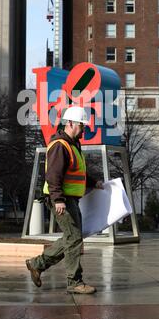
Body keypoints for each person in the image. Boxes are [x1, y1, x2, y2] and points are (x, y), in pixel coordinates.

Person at [26, 106, 103, 294]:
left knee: (71, 237)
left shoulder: (72, 145)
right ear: (69, 124)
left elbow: (77, 172)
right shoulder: (60, 145)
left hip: (69, 199)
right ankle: (75, 282)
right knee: (74, 238)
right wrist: (58, 199)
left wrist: (94, 182)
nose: (84, 129)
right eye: (81, 125)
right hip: (62, 199)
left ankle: (37, 264)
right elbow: (53, 175)